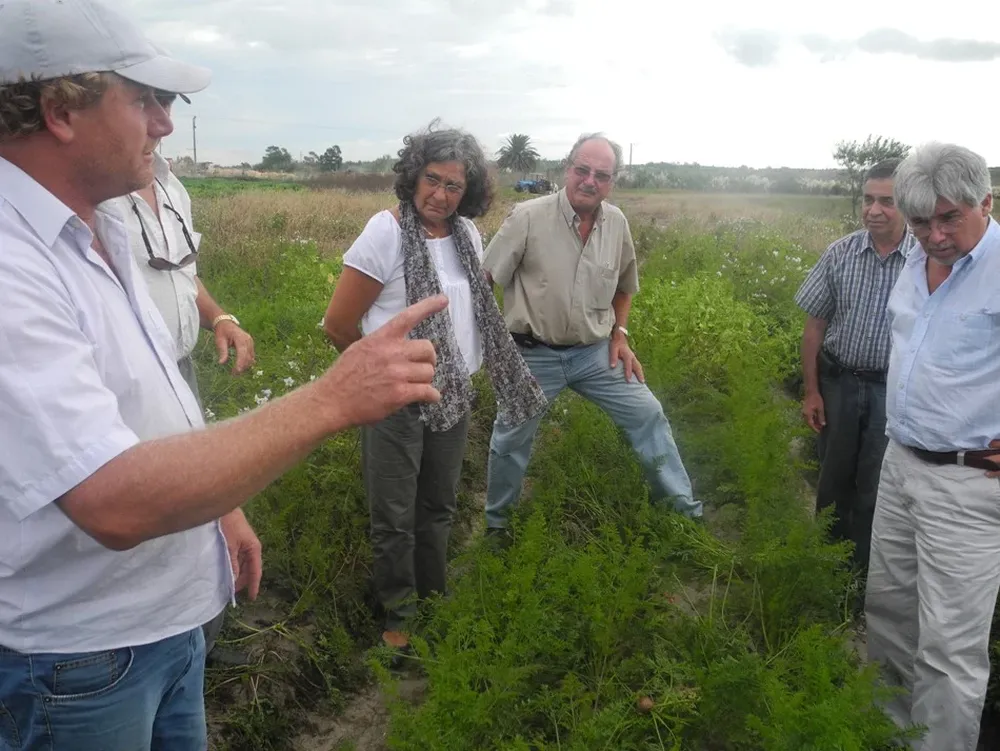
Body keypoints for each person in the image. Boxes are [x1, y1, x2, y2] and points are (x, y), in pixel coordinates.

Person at [0, 1, 447, 748]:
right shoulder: (14, 263)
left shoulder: (95, 226)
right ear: (60, 111)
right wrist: (332, 398)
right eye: (143, 100)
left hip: (161, 629)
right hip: (77, 665)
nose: (164, 123)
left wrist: (219, 508)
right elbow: (111, 500)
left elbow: (148, 394)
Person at [323, 124, 546, 652]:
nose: (440, 195)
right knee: (394, 515)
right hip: (396, 399)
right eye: (432, 179)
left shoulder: (467, 235)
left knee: (439, 505)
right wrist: (380, 377)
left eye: (453, 185)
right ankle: (399, 617)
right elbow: (338, 324)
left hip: (452, 394)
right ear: (413, 175)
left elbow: (471, 313)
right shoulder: (386, 232)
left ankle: (434, 599)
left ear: (468, 191)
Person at [99, 86, 257, 660]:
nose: (161, 120)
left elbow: (182, 272)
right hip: (129, 380)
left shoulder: (171, 186)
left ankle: (199, 637)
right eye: (145, 102)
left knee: (200, 512)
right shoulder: (98, 199)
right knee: (158, 511)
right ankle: (167, 644)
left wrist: (222, 318)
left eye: (167, 104)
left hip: (179, 368)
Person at [481, 133, 701, 536]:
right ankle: (498, 529)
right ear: (568, 169)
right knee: (511, 438)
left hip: (594, 354)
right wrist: (495, 348)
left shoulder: (616, 223)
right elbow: (484, 280)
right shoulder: (527, 217)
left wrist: (620, 335)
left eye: (601, 175)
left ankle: (682, 515)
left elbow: (624, 287)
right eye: (582, 170)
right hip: (532, 356)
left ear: (611, 182)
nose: (590, 181)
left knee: (647, 414)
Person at [863, 142, 1000, 750]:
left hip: (968, 483)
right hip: (900, 465)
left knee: (949, 646)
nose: (936, 236)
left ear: (985, 202)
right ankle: (892, 735)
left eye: (950, 218)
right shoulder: (913, 261)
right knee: (889, 613)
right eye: (922, 222)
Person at [793, 158, 916, 575]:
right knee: (833, 478)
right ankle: (825, 568)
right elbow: (814, 326)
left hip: (892, 391)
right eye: (868, 199)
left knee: (878, 485)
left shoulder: (925, 260)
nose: (873, 210)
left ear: (907, 204)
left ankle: (862, 575)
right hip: (839, 382)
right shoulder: (841, 253)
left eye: (887, 201)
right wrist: (812, 391)